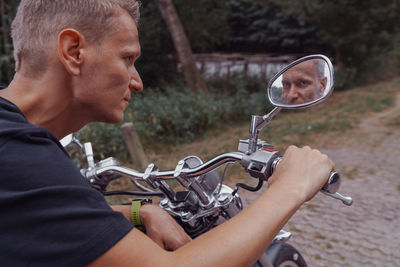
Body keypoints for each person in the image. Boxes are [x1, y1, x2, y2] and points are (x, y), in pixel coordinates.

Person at [0, 0, 334, 266]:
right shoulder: (20, 154)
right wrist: (292, 187)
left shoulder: (15, 142)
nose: (138, 81)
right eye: (128, 58)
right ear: (74, 52)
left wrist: (139, 211)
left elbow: (42, 209)